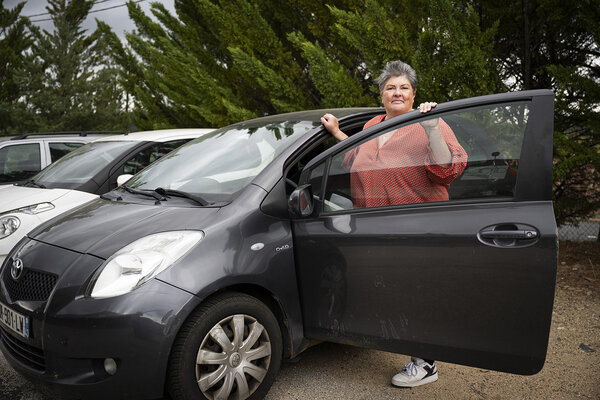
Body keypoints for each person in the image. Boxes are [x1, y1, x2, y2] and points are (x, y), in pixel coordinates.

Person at [320, 60, 467, 388]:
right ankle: (394, 339)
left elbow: (446, 169)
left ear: (413, 94)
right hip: (372, 226)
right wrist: (336, 133)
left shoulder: (430, 122)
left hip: (415, 229)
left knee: (415, 294)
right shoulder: (373, 124)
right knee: (387, 290)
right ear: (382, 94)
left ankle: (426, 363)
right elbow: (354, 155)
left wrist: (430, 129)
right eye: (390, 87)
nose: (396, 93)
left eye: (403, 87)